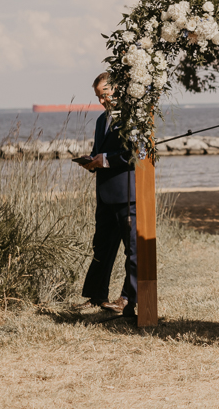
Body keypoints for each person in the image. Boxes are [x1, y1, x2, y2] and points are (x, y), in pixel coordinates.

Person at [76, 72, 137, 317]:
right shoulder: (102, 121)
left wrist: (106, 160)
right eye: (98, 97)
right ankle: (96, 296)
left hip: (126, 192)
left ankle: (126, 298)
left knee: (131, 249)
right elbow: (97, 151)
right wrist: (91, 161)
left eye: (105, 95)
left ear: (117, 90)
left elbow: (132, 154)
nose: (102, 101)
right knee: (101, 247)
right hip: (104, 194)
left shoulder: (134, 117)